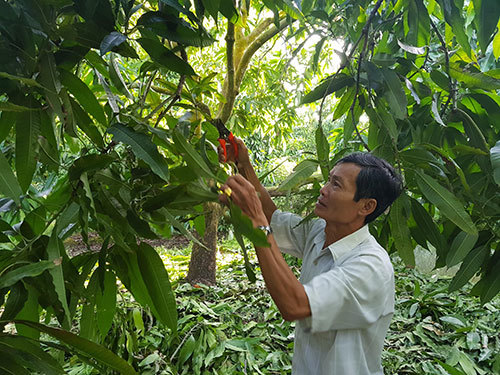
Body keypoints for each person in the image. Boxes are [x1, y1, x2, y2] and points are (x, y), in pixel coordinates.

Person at [219, 138, 403, 375]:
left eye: (336, 185)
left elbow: (294, 305)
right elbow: (272, 217)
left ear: (366, 206)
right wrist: (243, 164)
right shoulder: (319, 231)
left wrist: (255, 221)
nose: (323, 189)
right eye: (328, 180)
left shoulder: (370, 267)